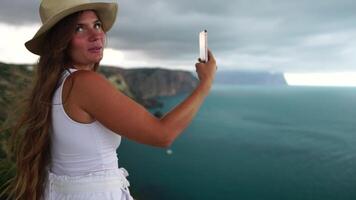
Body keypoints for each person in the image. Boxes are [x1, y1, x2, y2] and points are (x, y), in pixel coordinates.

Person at [4, 0, 217, 199]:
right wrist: (205, 84)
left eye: (97, 25)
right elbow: (163, 135)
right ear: (61, 41)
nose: (96, 35)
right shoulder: (84, 83)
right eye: (79, 29)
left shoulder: (54, 84)